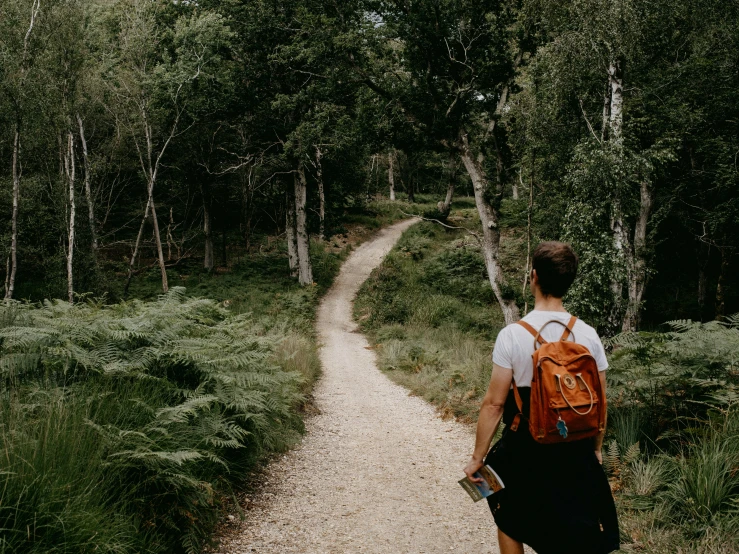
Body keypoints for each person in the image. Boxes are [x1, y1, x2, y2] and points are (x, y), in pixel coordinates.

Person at [463, 241, 619, 554]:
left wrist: (477, 458)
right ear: (569, 281)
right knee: (570, 527)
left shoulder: (512, 335)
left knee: (507, 514)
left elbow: (494, 404)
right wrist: (597, 449)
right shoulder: (588, 335)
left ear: (533, 277)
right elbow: (599, 405)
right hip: (574, 448)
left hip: (525, 447)